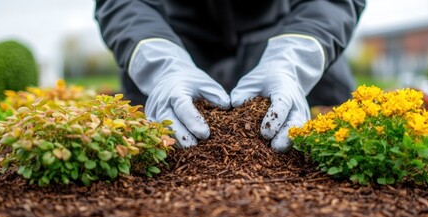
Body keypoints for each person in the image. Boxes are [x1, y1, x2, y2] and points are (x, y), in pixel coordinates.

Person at [95, 0, 365, 152]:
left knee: (326, 127)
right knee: (159, 134)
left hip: (290, 29)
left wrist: (296, 58)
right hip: (172, 36)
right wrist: (159, 61)